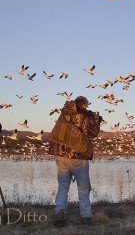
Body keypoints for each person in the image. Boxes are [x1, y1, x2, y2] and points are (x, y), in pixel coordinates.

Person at [49, 96, 101, 227]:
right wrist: (96, 120)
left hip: (60, 154)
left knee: (63, 185)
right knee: (83, 188)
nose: (87, 108)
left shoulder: (64, 113)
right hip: (77, 155)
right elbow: (93, 132)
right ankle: (85, 216)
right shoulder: (82, 115)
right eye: (87, 106)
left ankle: (59, 213)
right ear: (83, 104)